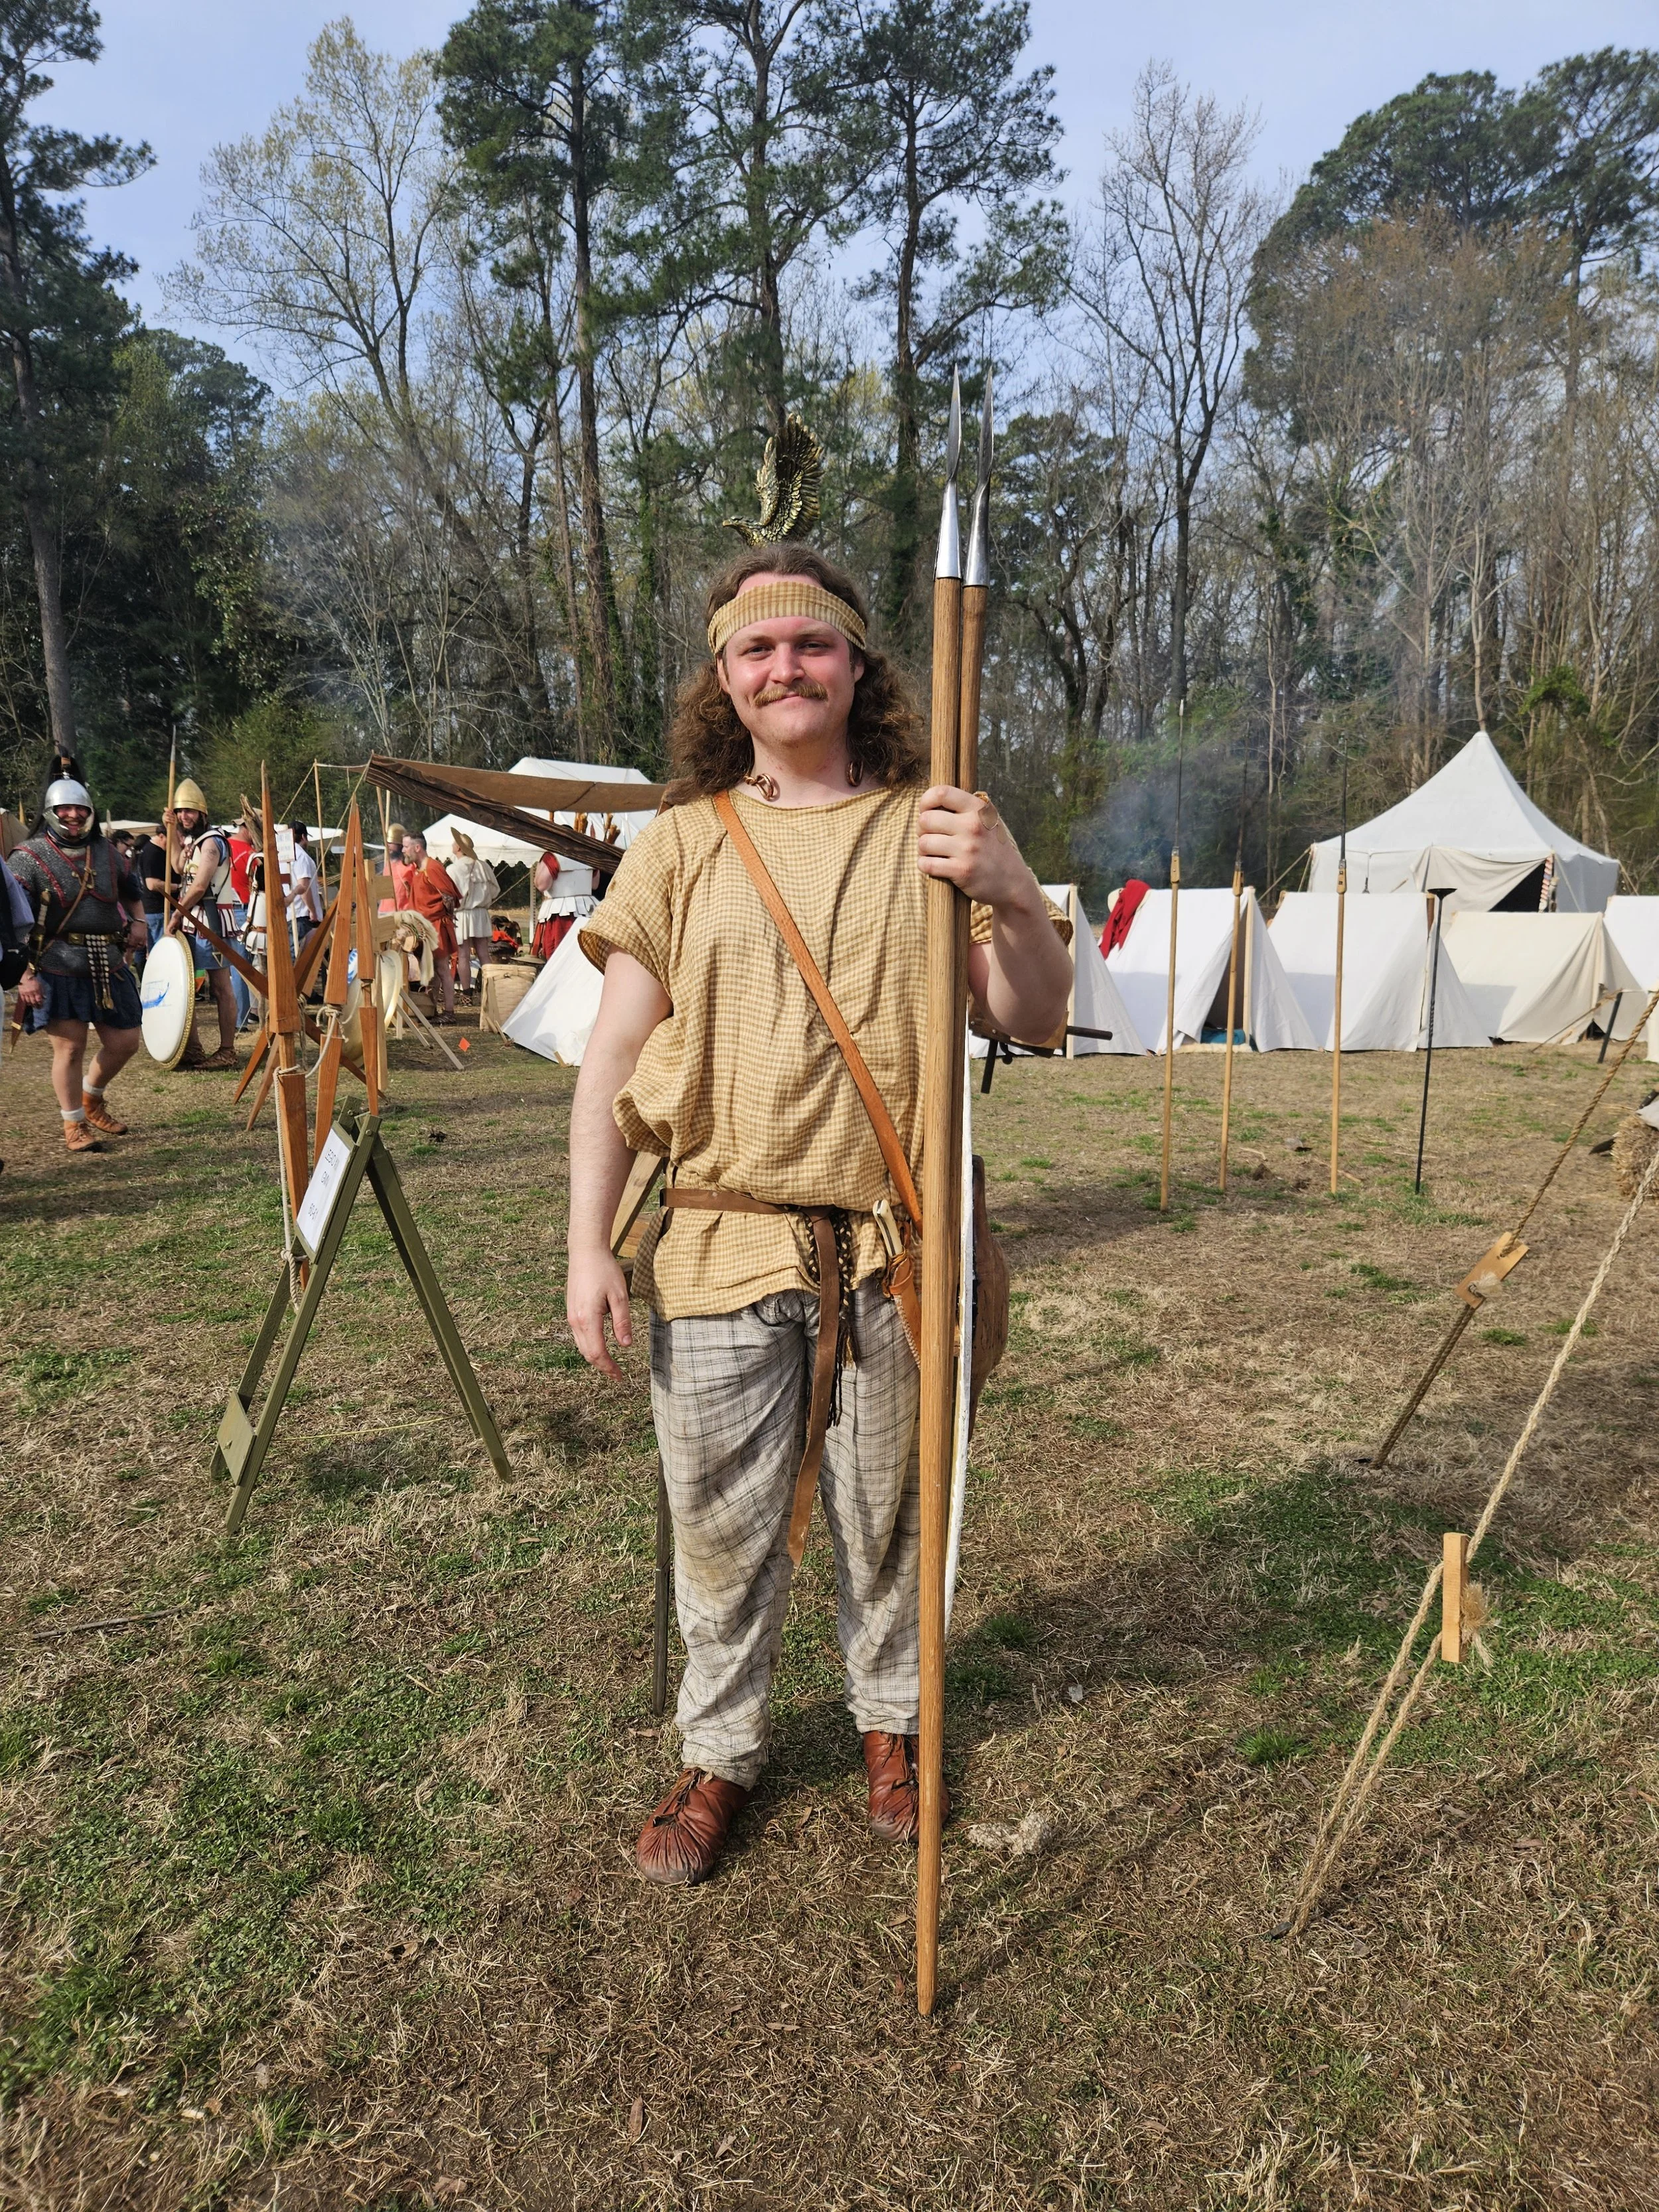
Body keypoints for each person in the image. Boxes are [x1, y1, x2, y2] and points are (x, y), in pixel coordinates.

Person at [565, 541, 1072, 1887]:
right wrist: (585, 1246)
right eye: (754, 649)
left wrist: (1008, 882)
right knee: (718, 1522)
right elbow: (612, 1061)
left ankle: (892, 1723)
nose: (783, 668)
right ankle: (719, 1749)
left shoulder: (937, 826)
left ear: (855, 663)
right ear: (724, 681)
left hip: (897, 1242)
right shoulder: (678, 842)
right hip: (722, 1238)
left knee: (891, 1512)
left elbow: (1033, 1014)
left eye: (809, 644)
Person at [9, 778, 148, 1149]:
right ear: (51, 813)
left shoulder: (106, 852)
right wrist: (25, 974)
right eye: (64, 810)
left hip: (108, 958)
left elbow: (132, 890)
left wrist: (139, 921)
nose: (73, 816)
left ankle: (92, 1097)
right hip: (57, 962)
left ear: (90, 812)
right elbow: (12, 919)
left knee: (126, 1041)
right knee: (70, 1048)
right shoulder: (27, 856)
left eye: (80, 809)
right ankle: (74, 1124)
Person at [165, 778, 239, 1070]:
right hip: (193, 922)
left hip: (211, 923)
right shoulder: (193, 843)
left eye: (190, 812)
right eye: (181, 811)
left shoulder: (212, 843)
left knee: (221, 988)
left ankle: (227, 1050)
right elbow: (178, 868)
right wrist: (172, 833)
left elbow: (198, 886)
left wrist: (176, 914)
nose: (185, 816)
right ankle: (192, 1048)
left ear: (202, 814)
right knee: (187, 986)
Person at [395, 832, 459, 1019]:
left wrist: (443, 916)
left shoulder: (433, 867)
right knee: (430, 971)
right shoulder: (417, 869)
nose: (403, 850)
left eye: (406, 846)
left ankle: (449, 1012)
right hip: (424, 927)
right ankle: (432, 1009)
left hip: (436, 926)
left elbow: (449, 896)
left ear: (417, 848)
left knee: (441, 969)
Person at [447, 830, 499, 995]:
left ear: (459, 848)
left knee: (463, 956)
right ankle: (490, 991)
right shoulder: (483, 866)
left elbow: (448, 895)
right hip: (480, 914)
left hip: (462, 915)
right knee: (483, 953)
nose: (452, 845)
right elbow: (495, 890)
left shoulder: (453, 869)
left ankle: (467, 994)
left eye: (455, 843)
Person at [130, 822, 168, 946]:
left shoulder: (152, 851)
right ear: (162, 836)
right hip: (158, 910)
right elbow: (152, 884)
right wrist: (179, 887)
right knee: (162, 949)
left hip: (154, 910)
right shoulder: (153, 853)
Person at [288, 823, 323, 949]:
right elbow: (303, 887)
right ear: (303, 837)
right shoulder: (301, 856)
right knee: (300, 954)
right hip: (301, 914)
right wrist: (313, 911)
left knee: (293, 952)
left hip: (289, 912)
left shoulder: (284, 854)